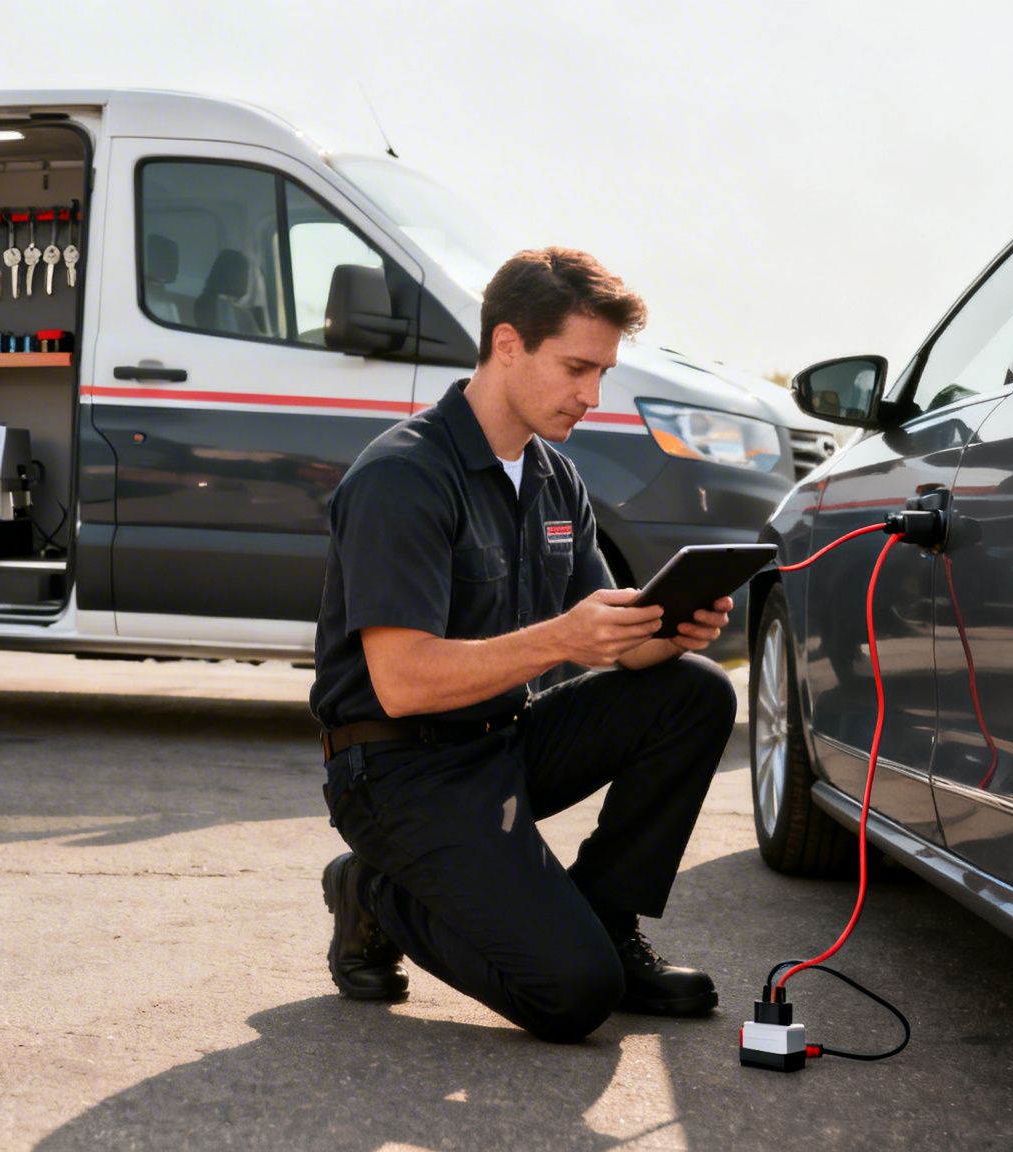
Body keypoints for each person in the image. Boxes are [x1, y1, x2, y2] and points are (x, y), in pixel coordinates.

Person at [310, 247, 738, 1044]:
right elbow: (401, 683)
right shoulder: (403, 476)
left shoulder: (553, 478)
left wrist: (665, 632)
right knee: (573, 995)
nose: (592, 395)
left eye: (603, 372)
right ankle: (375, 890)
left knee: (697, 689)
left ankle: (608, 921)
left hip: (497, 744)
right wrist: (560, 638)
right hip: (397, 769)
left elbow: (601, 643)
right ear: (508, 343)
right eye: (577, 367)